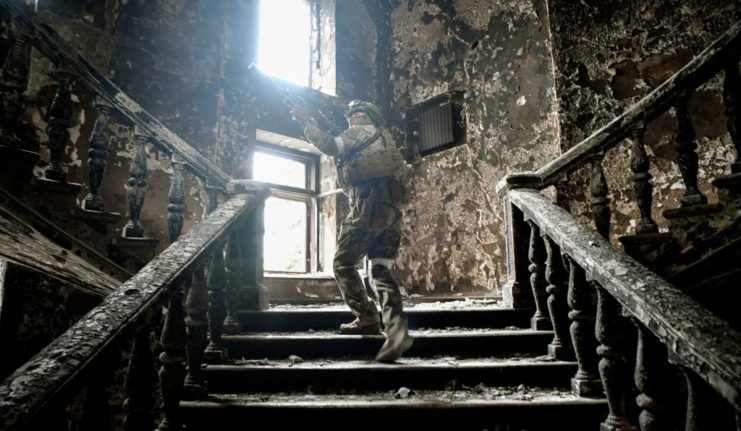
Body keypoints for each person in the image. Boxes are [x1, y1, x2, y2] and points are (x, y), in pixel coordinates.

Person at [291, 100, 412, 362]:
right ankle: (396, 328)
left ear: (371, 117)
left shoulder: (360, 132)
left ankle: (367, 317)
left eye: (360, 112)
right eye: (352, 113)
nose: (354, 116)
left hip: (368, 207)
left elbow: (330, 145)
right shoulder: (385, 138)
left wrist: (305, 121)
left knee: (343, 263)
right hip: (391, 211)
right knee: (380, 269)